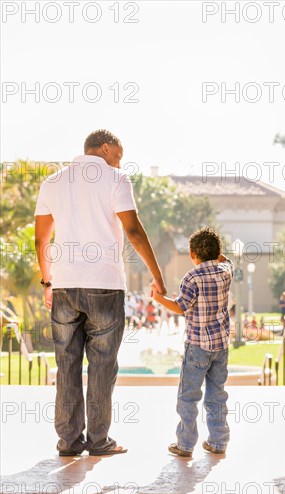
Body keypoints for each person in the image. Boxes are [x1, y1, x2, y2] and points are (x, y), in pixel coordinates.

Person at [35, 129, 166, 457]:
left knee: (66, 364)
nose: (119, 162)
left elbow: (41, 240)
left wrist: (47, 281)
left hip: (64, 284)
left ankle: (68, 441)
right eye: (118, 156)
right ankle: (98, 440)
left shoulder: (53, 182)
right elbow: (133, 230)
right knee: (102, 365)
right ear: (105, 149)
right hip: (105, 286)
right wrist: (157, 276)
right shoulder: (116, 179)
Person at [151, 227, 233, 458]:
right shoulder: (226, 271)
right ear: (217, 251)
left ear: (192, 253)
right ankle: (218, 442)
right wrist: (218, 253)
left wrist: (158, 298)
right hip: (221, 346)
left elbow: (180, 307)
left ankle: (185, 444)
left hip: (197, 346)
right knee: (217, 394)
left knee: (188, 396)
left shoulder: (192, 277)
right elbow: (226, 260)